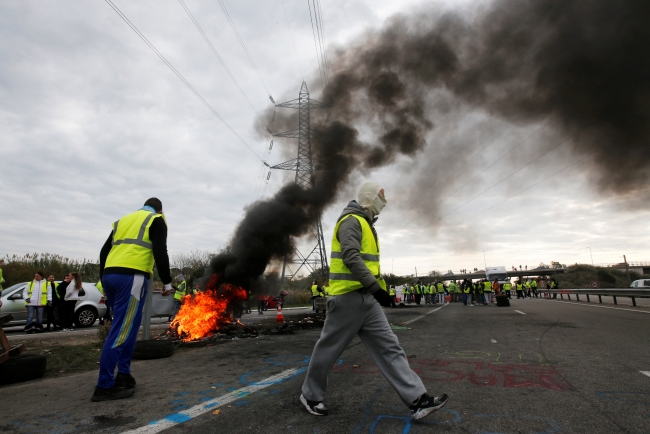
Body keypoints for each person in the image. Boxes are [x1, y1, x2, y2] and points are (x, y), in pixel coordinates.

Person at [300, 181, 448, 420]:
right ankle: (310, 395)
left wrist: (378, 293)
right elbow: (350, 256)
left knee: (390, 347)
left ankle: (418, 400)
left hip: (368, 301)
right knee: (328, 351)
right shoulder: (351, 221)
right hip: (346, 300)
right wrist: (376, 289)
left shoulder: (367, 225)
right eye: (380, 197)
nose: (383, 203)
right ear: (368, 197)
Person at [94, 197, 173, 402]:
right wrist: (167, 282)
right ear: (160, 209)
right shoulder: (156, 220)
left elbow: (104, 251)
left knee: (128, 326)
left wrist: (103, 278)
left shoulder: (123, 221)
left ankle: (124, 375)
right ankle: (105, 385)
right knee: (121, 330)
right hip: (132, 277)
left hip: (111, 276)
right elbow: (160, 251)